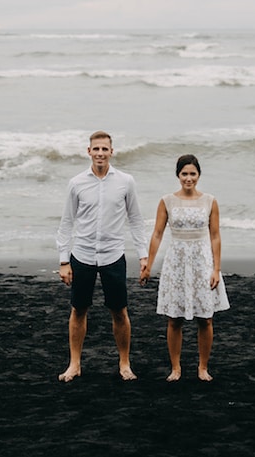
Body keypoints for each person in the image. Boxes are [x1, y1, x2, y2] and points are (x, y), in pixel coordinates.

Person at [54, 131, 149, 382]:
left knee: (119, 311)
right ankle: (74, 364)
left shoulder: (126, 181)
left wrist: (143, 256)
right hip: (82, 254)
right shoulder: (76, 183)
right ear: (88, 151)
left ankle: (125, 363)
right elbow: (66, 223)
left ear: (111, 152)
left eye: (104, 149)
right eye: (96, 149)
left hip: (113, 256)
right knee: (78, 309)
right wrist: (64, 261)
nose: (100, 153)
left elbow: (136, 220)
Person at [140, 154, 229, 381]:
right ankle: (176, 367)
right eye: (184, 174)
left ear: (199, 175)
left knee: (205, 318)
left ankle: (203, 367)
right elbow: (158, 234)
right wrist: (148, 265)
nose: (188, 178)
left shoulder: (210, 200)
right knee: (174, 318)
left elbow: (216, 236)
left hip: (202, 261)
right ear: (178, 175)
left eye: (193, 174)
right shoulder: (167, 201)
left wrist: (216, 268)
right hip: (176, 261)